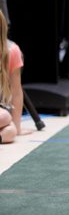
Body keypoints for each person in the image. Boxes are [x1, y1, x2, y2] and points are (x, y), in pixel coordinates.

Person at [0, 11, 30, 144]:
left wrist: (17, 126)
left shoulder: (11, 50)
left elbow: (16, 91)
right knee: (5, 117)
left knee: (11, 131)